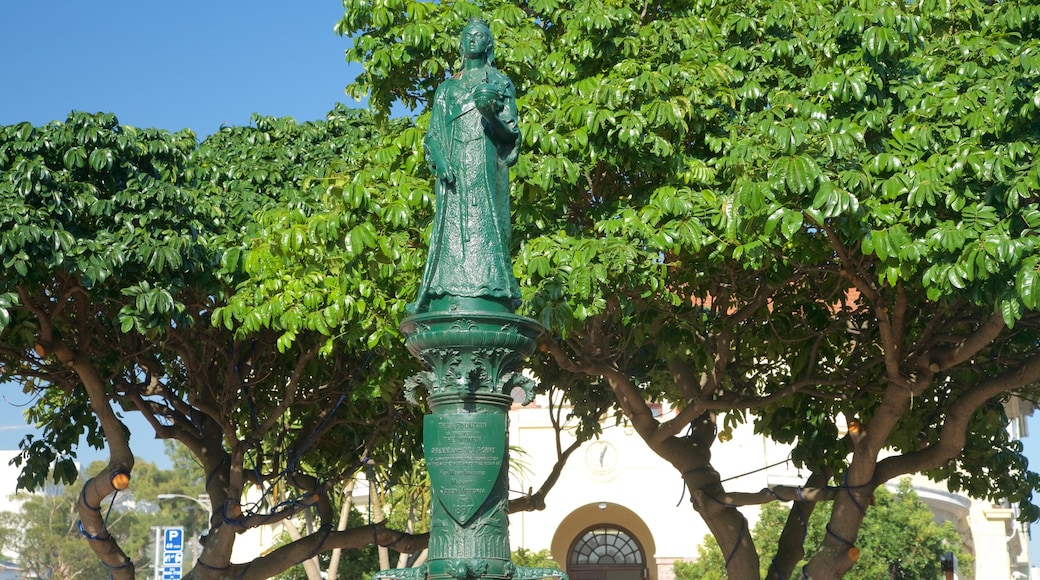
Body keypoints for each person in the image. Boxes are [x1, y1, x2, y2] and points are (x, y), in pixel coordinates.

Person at [409, 18, 522, 315]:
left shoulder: (500, 84)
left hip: (486, 167)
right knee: (451, 231)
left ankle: (495, 290)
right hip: (454, 169)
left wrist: (489, 114)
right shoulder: (448, 88)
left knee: (488, 226)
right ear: (461, 44)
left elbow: (510, 134)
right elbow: (432, 136)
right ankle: (444, 291)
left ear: (489, 43)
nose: (473, 40)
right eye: (468, 36)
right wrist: (442, 161)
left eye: (480, 36)